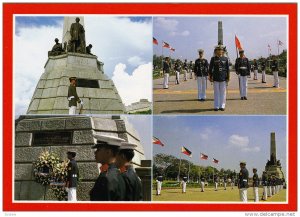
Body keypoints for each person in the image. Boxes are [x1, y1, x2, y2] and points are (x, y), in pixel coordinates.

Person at [90, 134, 126, 201]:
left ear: (108, 152)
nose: (95, 152)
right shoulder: (120, 173)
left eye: (98, 149)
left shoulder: (106, 178)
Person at [208, 45, 230, 111]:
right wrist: (210, 77)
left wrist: (228, 77)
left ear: (222, 51)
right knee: (216, 92)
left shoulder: (225, 59)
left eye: (221, 50)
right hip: (215, 77)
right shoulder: (213, 59)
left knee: (223, 92)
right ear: (216, 51)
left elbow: (227, 69)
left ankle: (222, 106)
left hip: (223, 77)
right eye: (218, 50)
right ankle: (216, 106)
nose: (219, 51)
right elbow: (210, 69)